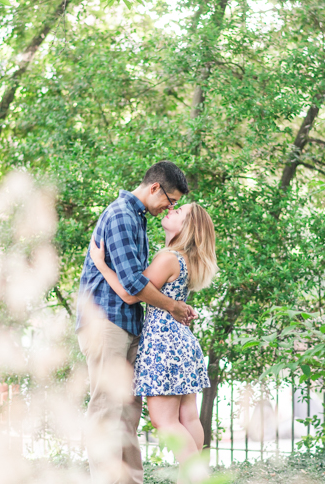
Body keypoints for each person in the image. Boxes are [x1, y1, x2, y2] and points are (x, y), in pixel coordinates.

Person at [77, 161, 196, 484]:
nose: (169, 208)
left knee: (128, 413)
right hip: (106, 322)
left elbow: (135, 287)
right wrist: (172, 306)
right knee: (107, 411)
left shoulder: (138, 219)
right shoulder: (120, 215)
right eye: (170, 201)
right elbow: (132, 284)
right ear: (155, 188)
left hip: (128, 325)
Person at [89, 201, 218, 476]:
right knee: (189, 417)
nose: (172, 210)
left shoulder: (169, 257)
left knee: (165, 420)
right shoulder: (186, 258)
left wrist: (100, 263)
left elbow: (130, 294)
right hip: (181, 341)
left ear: (187, 226)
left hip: (164, 344)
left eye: (179, 212)